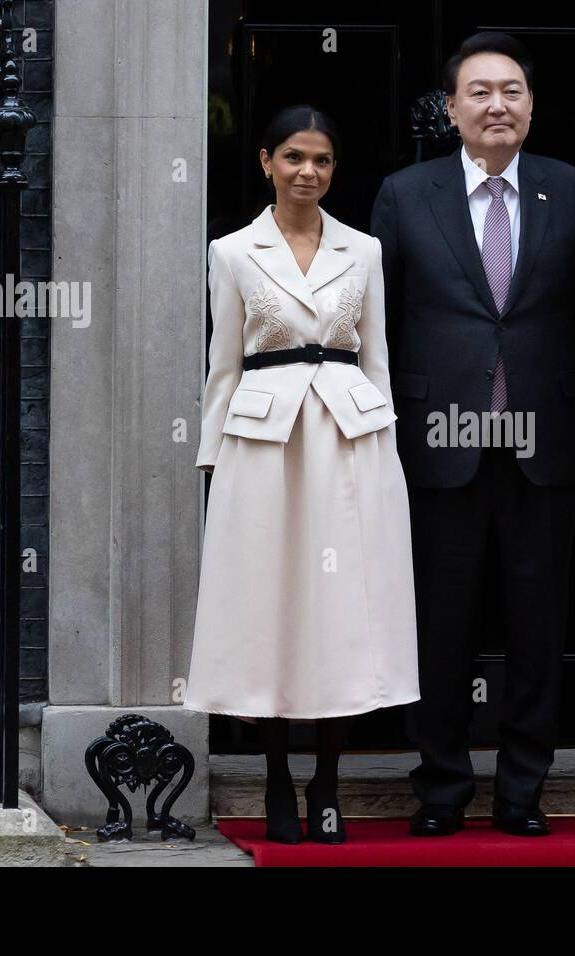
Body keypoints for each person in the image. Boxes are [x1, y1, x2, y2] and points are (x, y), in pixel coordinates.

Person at [371, 32, 575, 837]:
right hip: (438, 446)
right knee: (441, 630)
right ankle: (440, 792)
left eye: (511, 90)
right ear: (451, 109)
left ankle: (521, 793)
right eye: (480, 91)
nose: (497, 104)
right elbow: (382, 324)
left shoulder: (572, 191)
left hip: (545, 443)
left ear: (531, 106)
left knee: (539, 631)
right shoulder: (406, 194)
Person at [185, 105, 419, 845]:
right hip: (263, 447)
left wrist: (388, 456)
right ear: (265, 162)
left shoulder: (367, 250)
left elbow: (376, 357)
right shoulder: (231, 252)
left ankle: (327, 781)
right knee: (270, 611)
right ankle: (277, 777)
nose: (307, 172)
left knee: (340, 616)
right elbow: (223, 365)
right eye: (293, 157)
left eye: (320, 160)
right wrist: (212, 459)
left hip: (351, 442)